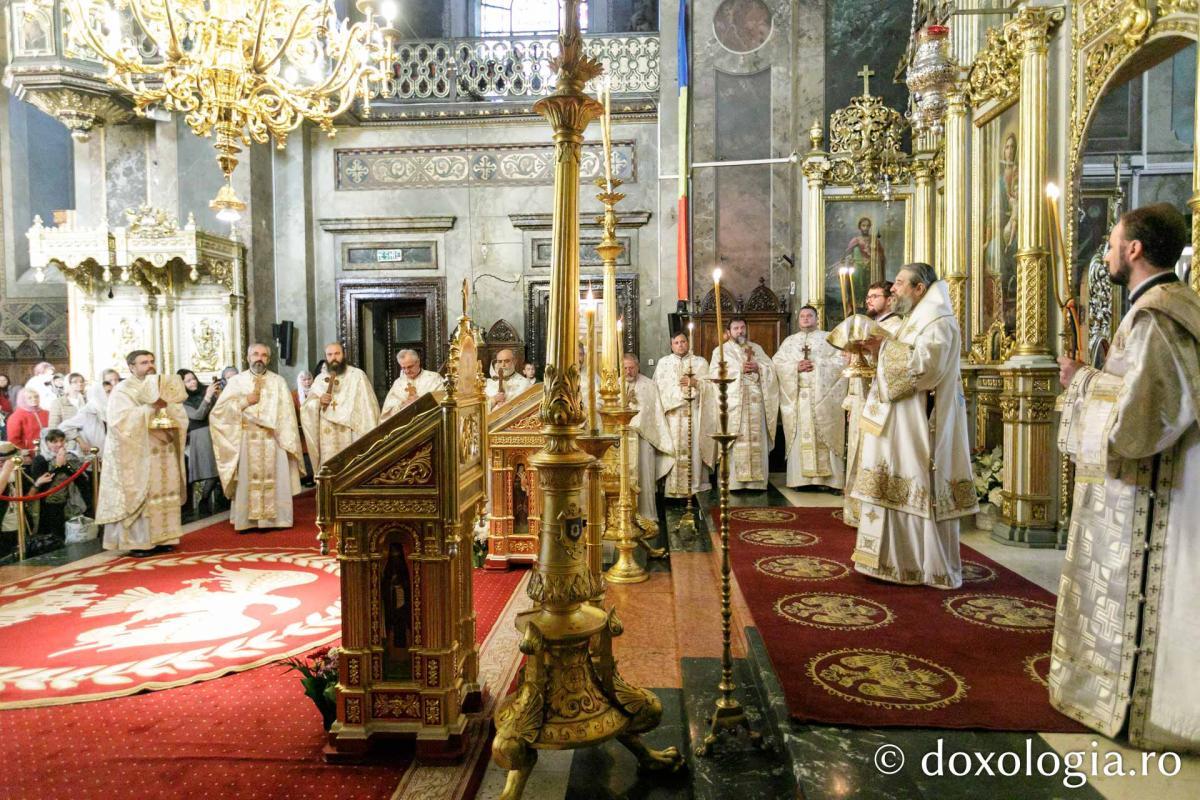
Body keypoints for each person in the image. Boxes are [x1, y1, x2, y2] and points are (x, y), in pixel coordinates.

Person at [1052, 203, 1200, 751]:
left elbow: (1141, 422)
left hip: (1161, 491)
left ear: (1134, 250)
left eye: (1113, 244)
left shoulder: (1157, 314)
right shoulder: (1171, 305)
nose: (1109, 253)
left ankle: (1150, 706)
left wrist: (1082, 381)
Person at [851, 263, 975, 589]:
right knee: (888, 481)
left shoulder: (938, 322)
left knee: (912, 481)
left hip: (917, 425)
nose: (893, 289)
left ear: (919, 288)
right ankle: (886, 562)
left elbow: (925, 370)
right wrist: (874, 352)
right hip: (898, 423)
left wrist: (883, 350)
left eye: (900, 284)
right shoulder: (914, 319)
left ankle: (919, 565)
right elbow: (902, 356)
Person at [96, 350, 188, 555]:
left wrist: (171, 416)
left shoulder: (162, 385)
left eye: (151, 361)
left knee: (163, 494)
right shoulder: (123, 391)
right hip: (138, 454)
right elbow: (120, 422)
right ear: (131, 367)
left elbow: (179, 412)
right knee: (143, 495)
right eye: (144, 362)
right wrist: (150, 408)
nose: (150, 365)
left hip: (163, 449)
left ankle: (164, 537)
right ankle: (139, 541)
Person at [210, 343, 304, 533]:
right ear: (248, 357)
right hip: (246, 438)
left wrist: (286, 438)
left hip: (273, 439)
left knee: (275, 479)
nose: (259, 358)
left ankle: (276, 520)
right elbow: (218, 413)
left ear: (268, 359)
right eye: (255, 354)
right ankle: (247, 521)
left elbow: (287, 415)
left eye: (263, 355)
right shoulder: (236, 381)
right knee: (247, 479)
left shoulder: (278, 381)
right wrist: (245, 402)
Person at [843, 281, 904, 525]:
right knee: (858, 452)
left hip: (880, 402)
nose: (869, 300)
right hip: (862, 400)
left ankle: (872, 511)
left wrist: (870, 352)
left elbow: (897, 364)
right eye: (867, 296)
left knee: (871, 453)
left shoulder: (896, 327)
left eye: (875, 296)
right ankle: (857, 512)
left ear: (889, 299)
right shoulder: (871, 325)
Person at [773, 305, 848, 490]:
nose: (805, 319)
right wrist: (795, 367)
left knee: (825, 434)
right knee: (801, 435)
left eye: (809, 316)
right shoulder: (790, 342)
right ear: (798, 320)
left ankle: (830, 482)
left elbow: (843, 361)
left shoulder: (829, 338)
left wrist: (818, 364)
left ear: (817, 318)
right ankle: (801, 480)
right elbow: (777, 363)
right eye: (802, 316)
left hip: (824, 399)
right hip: (799, 398)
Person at [708, 318, 778, 490]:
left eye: (742, 328)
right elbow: (715, 373)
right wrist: (739, 369)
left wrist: (758, 367)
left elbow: (771, 369)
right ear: (728, 331)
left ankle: (757, 483)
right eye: (736, 328)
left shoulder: (756, 348)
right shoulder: (721, 351)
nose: (740, 331)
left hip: (756, 403)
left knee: (756, 438)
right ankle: (734, 483)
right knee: (735, 439)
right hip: (734, 404)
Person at [652, 331, 714, 498]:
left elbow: (712, 388)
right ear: (671, 346)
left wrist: (695, 383)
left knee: (693, 449)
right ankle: (672, 489)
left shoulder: (700, 363)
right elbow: (657, 389)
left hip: (693, 413)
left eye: (683, 342)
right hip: (671, 416)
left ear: (688, 343)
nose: (680, 345)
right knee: (673, 451)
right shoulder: (663, 363)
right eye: (676, 343)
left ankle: (694, 487)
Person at [301, 343, 380, 472]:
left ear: (344, 355)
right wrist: (319, 402)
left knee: (352, 471)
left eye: (337, 354)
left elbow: (369, 409)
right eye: (330, 354)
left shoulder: (357, 376)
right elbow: (306, 408)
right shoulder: (320, 379)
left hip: (351, 433)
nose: (334, 358)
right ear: (326, 357)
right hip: (328, 436)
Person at [622, 353, 675, 522]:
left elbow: (656, 414)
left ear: (638, 367)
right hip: (622, 440)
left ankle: (646, 515)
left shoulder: (649, 386)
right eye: (625, 368)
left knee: (644, 476)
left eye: (631, 368)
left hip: (645, 439)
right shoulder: (614, 386)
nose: (628, 371)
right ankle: (623, 517)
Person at [29, 429, 89, 556]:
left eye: (61, 440)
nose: (59, 444)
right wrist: (57, 466)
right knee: (54, 538)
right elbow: (41, 484)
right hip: (49, 504)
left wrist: (65, 465)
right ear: (46, 443)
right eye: (54, 441)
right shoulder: (41, 460)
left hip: (70, 501)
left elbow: (82, 481)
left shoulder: (71, 457)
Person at [177, 369, 222, 515]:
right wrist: (208, 397)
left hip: (216, 431)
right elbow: (198, 415)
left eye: (193, 379)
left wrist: (217, 396)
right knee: (211, 471)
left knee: (220, 468)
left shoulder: (206, 390)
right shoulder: (182, 401)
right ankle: (203, 499)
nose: (193, 382)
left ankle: (212, 499)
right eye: (188, 381)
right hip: (201, 434)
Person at [60, 370, 115, 455]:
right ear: (99, 394)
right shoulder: (87, 412)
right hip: (92, 455)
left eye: (111, 391)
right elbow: (63, 427)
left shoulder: (109, 409)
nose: (111, 395)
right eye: (108, 392)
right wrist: (80, 441)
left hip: (108, 453)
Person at [381, 349, 442, 420]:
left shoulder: (434, 378)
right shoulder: (398, 384)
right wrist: (403, 405)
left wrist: (422, 402)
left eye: (410, 367)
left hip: (429, 422)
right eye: (403, 368)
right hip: (405, 426)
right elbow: (387, 412)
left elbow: (443, 401)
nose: (407, 371)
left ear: (418, 362)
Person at [293, 371, 314, 486]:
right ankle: (304, 476)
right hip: (300, 430)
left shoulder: (317, 393)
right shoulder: (294, 395)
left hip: (314, 428)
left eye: (309, 379)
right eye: (304, 380)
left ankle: (313, 476)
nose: (306, 382)